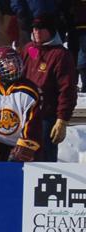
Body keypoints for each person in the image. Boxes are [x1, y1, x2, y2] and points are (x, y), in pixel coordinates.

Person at [20, 14, 77, 161]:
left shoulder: (60, 55)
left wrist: (62, 119)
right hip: (23, 115)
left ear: (51, 30)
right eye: (34, 28)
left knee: (44, 160)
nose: (37, 32)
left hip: (46, 117)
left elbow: (67, 89)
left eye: (41, 28)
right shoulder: (29, 49)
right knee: (20, 160)